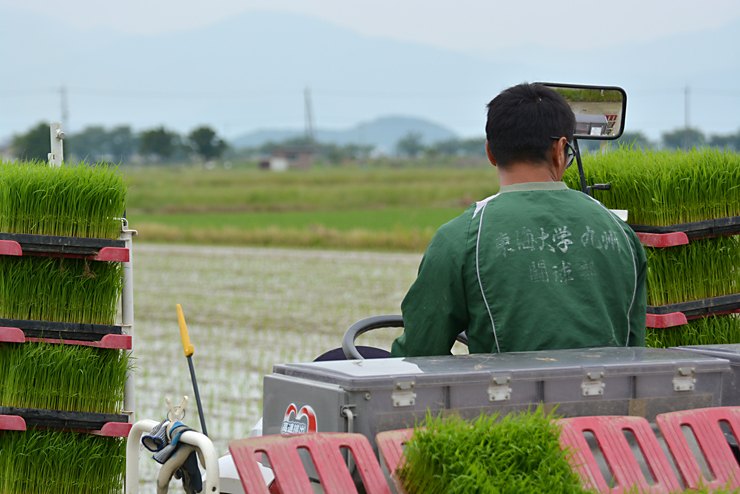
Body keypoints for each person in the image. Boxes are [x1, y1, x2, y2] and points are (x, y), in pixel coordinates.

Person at [391, 83, 647, 357]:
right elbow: (633, 350)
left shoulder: (460, 237)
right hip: (607, 397)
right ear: (560, 150)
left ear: (490, 151)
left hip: (504, 399)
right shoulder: (620, 233)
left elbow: (419, 353)